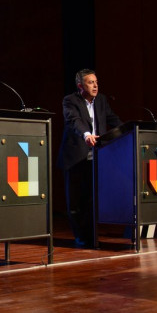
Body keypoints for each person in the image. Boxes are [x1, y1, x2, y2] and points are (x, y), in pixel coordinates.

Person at [57, 68, 122, 248]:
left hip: (96, 158)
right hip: (75, 157)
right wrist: (86, 134)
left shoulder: (101, 100)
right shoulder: (70, 101)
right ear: (80, 86)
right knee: (76, 202)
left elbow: (113, 119)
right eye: (90, 82)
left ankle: (91, 237)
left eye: (96, 82)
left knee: (91, 200)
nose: (95, 85)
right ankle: (81, 237)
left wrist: (129, 130)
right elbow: (73, 120)